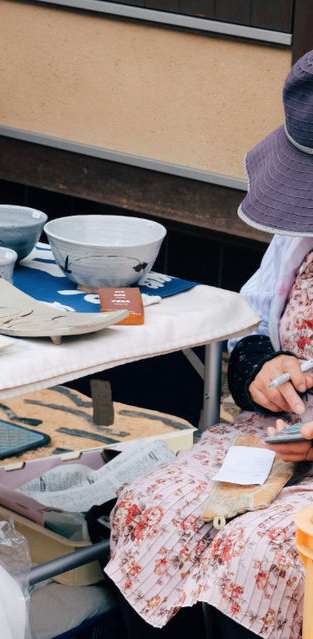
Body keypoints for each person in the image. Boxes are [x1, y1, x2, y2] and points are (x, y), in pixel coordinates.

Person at [104, 50, 313, 639]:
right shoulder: (301, 238)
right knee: (153, 509)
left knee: (257, 549)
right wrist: (260, 366)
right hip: (276, 436)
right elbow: (253, 321)